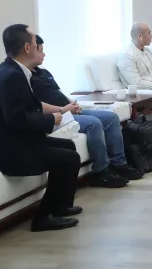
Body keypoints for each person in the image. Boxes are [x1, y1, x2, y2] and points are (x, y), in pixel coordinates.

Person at [0, 24, 82, 232]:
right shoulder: (11, 76)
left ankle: (60, 206)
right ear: (27, 47)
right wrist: (51, 120)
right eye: (36, 43)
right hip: (7, 151)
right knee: (68, 158)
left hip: (17, 142)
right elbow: (17, 120)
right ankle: (43, 217)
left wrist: (61, 111)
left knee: (68, 147)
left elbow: (33, 105)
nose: (39, 47)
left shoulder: (14, 70)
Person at [31, 36, 140, 187]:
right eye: (40, 51)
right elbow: (36, 105)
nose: (44, 54)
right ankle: (101, 171)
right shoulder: (26, 78)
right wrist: (64, 109)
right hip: (56, 116)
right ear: (29, 50)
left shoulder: (44, 73)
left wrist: (72, 103)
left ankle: (119, 164)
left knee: (111, 117)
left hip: (69, 109)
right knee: (93, 123)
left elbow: (57, 93)